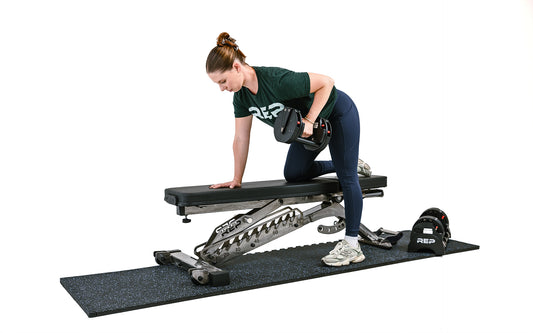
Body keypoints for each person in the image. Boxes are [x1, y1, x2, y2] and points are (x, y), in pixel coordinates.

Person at [205, 32, 371, 267]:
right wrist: (236, 178)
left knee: (347, 178)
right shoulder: (241, 97)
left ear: (236, 67)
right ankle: (348, 161)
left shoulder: (276, 80)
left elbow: (327, 82)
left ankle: (352, 244)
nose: (222, 88)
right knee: (294, 173)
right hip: (311, 131)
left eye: (222, 81)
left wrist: (311, 120)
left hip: (337, 112)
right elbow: (241, 137)